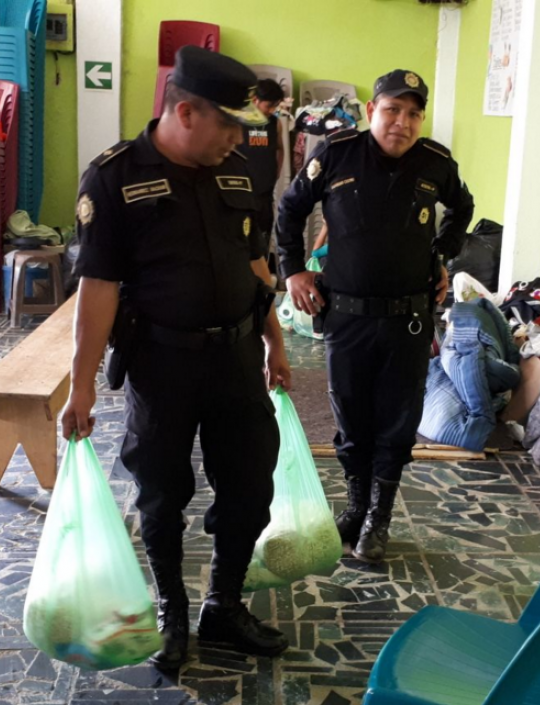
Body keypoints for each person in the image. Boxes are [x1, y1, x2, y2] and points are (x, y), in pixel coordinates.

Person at [60, 46, 292, 669]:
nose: (237, 139)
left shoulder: (240, 172)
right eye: (228, 125)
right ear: (186, 111)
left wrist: (274, 338)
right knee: (162, 495)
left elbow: (255, 267)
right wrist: (81, 387)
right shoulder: (113, 178)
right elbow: (99, 289)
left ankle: (222, 605)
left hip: (236, 357)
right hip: (160, 364)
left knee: (249, 486)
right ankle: (172, 610)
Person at [275, 69, 475, 564]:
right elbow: (290, 209)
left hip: (407, 320)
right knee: (350, 416)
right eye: (392, 110)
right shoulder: (337, 153)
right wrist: (294, 271)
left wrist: (442, 256)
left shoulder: (435, 163)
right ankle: (356, 507)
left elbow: (462, 208)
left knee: (397, 421)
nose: (402, 123)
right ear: (372, 112)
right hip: (345, 316)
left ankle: (378, 521)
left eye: (413, 114)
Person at [236, 78, 286, 257]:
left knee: (262, 242)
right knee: (241, 243)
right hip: (242, 196)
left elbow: (280, 149)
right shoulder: (239, 121)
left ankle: (261, 281)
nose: (272, 110)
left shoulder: (275, 123)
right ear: (255, 100)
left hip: (264, 195)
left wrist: (277, 171)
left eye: (276, 106)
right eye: (269, 105)